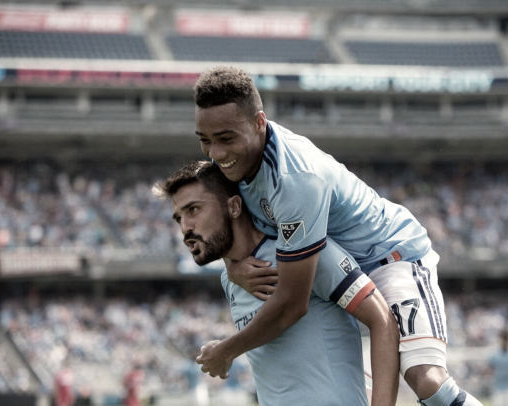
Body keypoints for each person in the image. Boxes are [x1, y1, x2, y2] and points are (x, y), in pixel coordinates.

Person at [192, 65, 483, 406]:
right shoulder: (233, 164)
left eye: (226, 138)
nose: (216, 154)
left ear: (259, 122)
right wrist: (231, 264)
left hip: (389, 258)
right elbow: (226, 221)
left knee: (425, 380)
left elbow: (291, 303)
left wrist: (227, 351)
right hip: (337, 275)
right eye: (205, 141)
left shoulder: (295, 179)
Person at [153, 161, 399, 405]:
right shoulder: (230, 279)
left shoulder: (303, 254)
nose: (185, 228)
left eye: (193, 210)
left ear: (234, 207)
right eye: (178, 218)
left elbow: (382, 319)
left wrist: (226, 350)